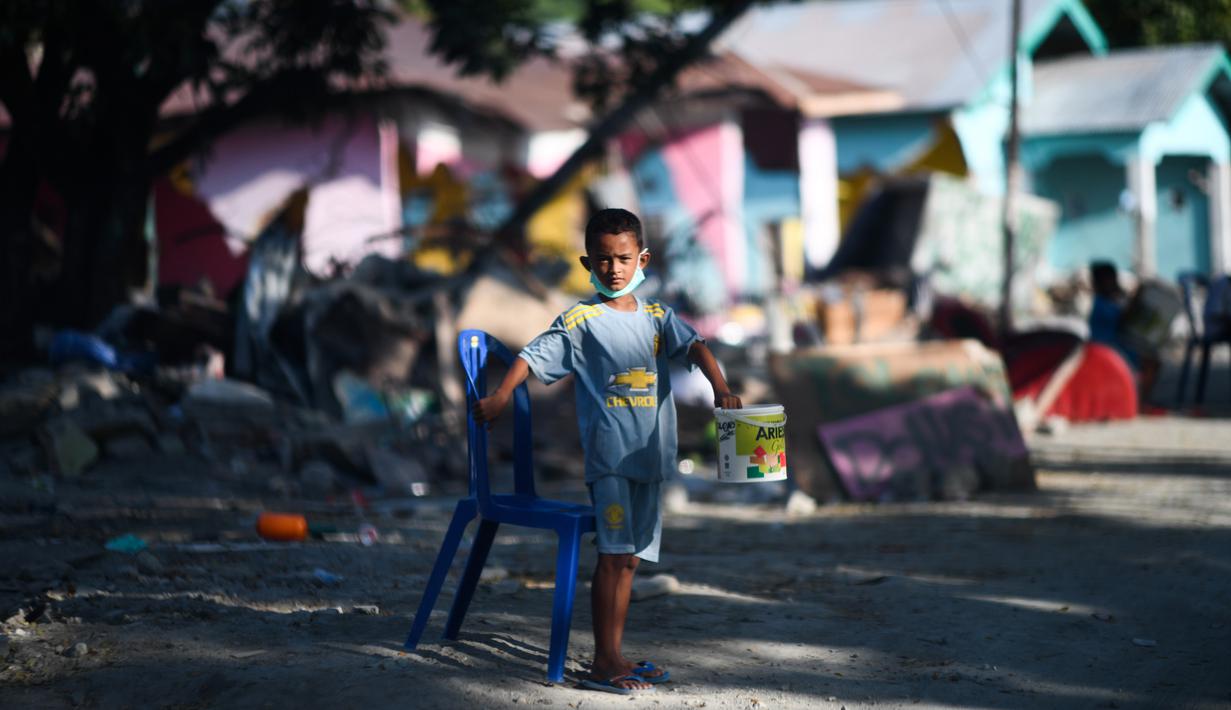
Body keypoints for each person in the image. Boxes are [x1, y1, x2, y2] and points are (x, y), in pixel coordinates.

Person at [472, 208, 742, 695]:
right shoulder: (581, 320)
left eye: (622, 258)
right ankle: (602, 662)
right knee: (613, 556)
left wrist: (720, 387)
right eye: (603, 259)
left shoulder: (658, 317)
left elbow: (697, 346)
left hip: (651, 459)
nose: (613, 268)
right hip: (611, 461)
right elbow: (530, 357)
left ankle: (615, 654)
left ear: (642, 259)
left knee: (632, 560)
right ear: (587, 263)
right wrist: (500, 396)